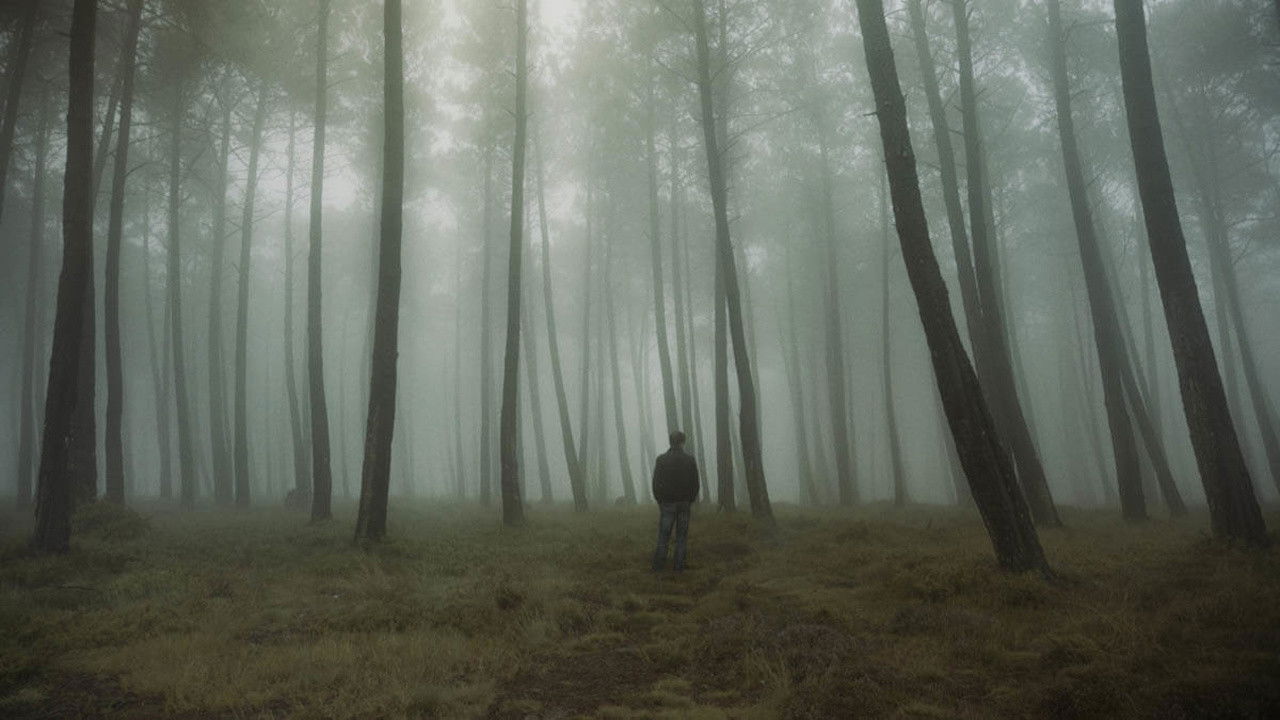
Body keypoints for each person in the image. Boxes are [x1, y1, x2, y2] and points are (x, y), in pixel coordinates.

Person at [651, 430, 699, 571]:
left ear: (670, 442)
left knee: (663, 536)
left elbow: (655, 483)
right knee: (681, 537)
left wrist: (660, 500)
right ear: (682, 442)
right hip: (684, 503)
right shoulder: (690, 460)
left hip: (667, 504)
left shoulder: (661, 460)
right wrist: (690, 499)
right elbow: (695, 484)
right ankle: (679, 566)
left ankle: (659, 566)